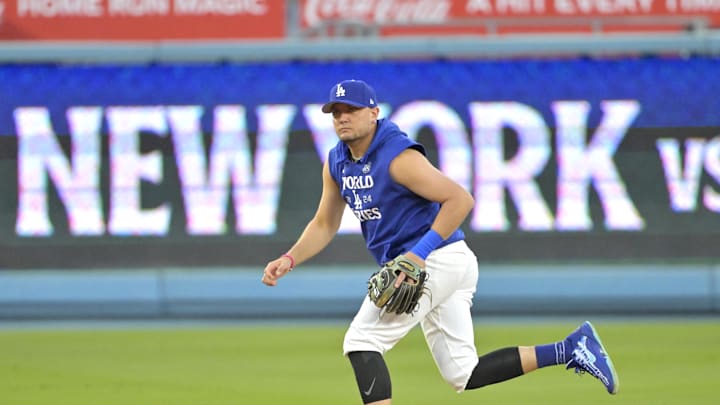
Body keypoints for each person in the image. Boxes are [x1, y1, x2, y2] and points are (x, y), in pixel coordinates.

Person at [262, 79, 619, 404]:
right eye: (336, 112)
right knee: (464, 373)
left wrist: (418, 256)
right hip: (445, 263)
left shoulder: (397, 157)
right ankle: (571, 349)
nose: (342, 118)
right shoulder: (337, 163)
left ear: (373, 112)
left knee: (361, 342)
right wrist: (289, 259)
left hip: (435, 259)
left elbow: (460, 200)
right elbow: (325, 223)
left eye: (351, 110)